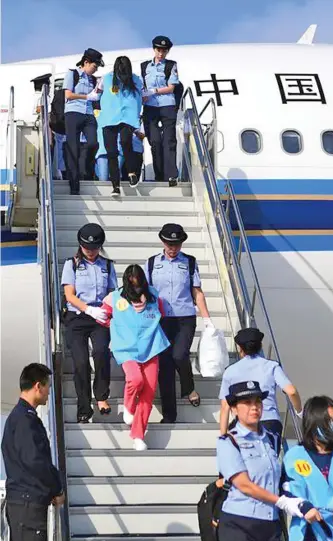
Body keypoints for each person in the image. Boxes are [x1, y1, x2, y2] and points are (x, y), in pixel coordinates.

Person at [216, 381, 306, 541]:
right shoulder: (229, 441)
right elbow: (244, 485)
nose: (254, 407)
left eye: (258, 401)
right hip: (240, 523)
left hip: (271, 523)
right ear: (234, 409)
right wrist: (282, 501)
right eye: (247, 402)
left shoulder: (271, 439)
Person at [144, 223, 212, 423]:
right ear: (162, 242)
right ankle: (169, 415)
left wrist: (207, 318)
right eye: (169, 243)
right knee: (164, 366)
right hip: (161, 319)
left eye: (177, 244)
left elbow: (197, 292)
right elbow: (144, 293)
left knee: (180, 354)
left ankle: (188, 387)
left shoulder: (190, 262)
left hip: (185, 317)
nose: (173, 248)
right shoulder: (151, 263)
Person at [100, 265, 170, 450]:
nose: (136, 288)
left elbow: (160, 314)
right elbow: (102, 316)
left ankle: (138, 435)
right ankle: (128, 406)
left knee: (148, 391)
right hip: (126, 348)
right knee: (135, 379)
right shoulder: (115, 297)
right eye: (133, 285)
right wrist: (117, 330)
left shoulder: (154, 296)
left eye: (139, 284)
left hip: (151, 347)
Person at [282, 395, 333, 541]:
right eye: (329, 421)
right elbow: (285, 494)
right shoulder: (294, 456)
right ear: (314, 422)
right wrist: (303, 507)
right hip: (307, 532)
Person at [61, 223, 117, 422]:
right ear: (80, 246)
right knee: (81, 362)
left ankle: (101, 396)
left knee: (101, 352)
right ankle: (84, 407)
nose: (91, 252)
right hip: (78, 316)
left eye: (94, 249)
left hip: (100, 316)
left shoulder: (107, 265)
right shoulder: (72, 264)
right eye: (87, 249)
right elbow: (69, 295)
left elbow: (113, 292)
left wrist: (105, 309)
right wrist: (88, 309)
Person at [1, 364, 64, 541]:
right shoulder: (25, 420)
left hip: (23, 502)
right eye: (48, 387)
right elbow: (35, 459)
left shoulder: (19, 417)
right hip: (28, 503)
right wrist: (57, 488)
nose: (49, 392)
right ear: (38, 386)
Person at [219, 327, 303, 451]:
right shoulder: (271, 366)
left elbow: (225, 407)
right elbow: (291, 391)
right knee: (269, 462)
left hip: (243, 423)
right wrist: (299, 411)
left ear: (240, 348)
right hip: (270, 422)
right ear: (260, 346)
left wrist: (223, 437)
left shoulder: (230, 371)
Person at [95, 56, 143, 196]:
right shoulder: (107, 79)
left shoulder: (135, 79)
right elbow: (96, 94)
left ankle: (131, 172)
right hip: (109, 118)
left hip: (126, 118)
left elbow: (140, 96)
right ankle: (115, 185)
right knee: (111, 152)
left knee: (125, 142)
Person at [63, 48, 104, 195]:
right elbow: (68, 94)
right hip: (73, 112)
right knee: (72, 148)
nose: (95, 69)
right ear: (86, 62)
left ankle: (85, 167)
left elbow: (96, 96)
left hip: (88, 114)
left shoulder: (93, 79)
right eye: (94, 66)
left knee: (93, 142)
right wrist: (86, 97)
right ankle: (74, 183)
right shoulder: (72, 74)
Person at [141, 35, 180, 186]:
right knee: (155, 141)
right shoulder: (145, 66)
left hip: (166, 105)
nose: (161, 53)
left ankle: (171, 175)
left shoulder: (171, 65)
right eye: (158, 49)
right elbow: (142, 85)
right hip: (150, 107)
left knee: (169, 140)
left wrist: (154, 91)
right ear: (154, 49)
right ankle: (159, 174)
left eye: (164, 50)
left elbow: (171, 87)